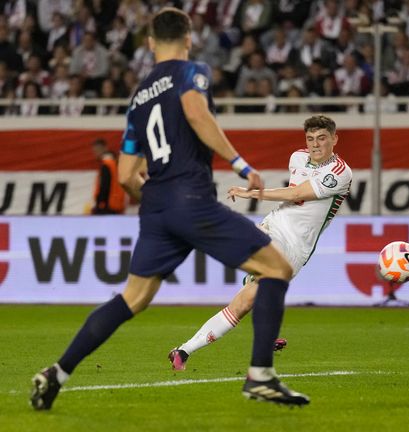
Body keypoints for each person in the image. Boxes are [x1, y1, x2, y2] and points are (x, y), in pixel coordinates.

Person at [30, 7, 309, 411]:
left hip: (156, 207)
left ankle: (56, 373)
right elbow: (197, 113)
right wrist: (240, 164)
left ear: (148, 43)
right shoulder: (190, 71)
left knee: (132, 299)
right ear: (189, 37)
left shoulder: (138, 98)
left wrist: (161, 205)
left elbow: (127, 174)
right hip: (190, 198)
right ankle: (260, 376)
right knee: (277, 269)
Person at [168, 115, 352, 370]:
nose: (315, 144)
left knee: (244, 303)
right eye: (310, 139)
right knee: (259, 262)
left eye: (322, 138)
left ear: (334, 139)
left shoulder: (340, 172)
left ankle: (184, 350)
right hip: (273, 227)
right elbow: (292, 197)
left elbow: (298, 193)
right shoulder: (297, 157)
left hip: (297, 249)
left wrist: (252, 193)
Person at [90, 138, 126, 215]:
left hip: (107, 206)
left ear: (104, 148)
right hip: (117, 205)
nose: (96, 154)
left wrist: (99, 205)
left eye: (97, 151)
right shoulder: (115, 163)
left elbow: (104, 187)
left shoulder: (106, 165)